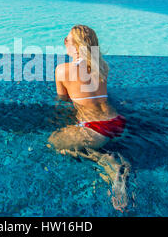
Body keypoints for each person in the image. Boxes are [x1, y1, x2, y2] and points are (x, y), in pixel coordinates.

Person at [48, 25, 130, 211]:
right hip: (117, 122)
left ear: (76, 46)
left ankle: (107, 163)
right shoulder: (102, 67)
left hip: (94, 129)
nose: (64, 43)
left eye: (66, 40)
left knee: (53, 142)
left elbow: (62, 100)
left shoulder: (62, 70)